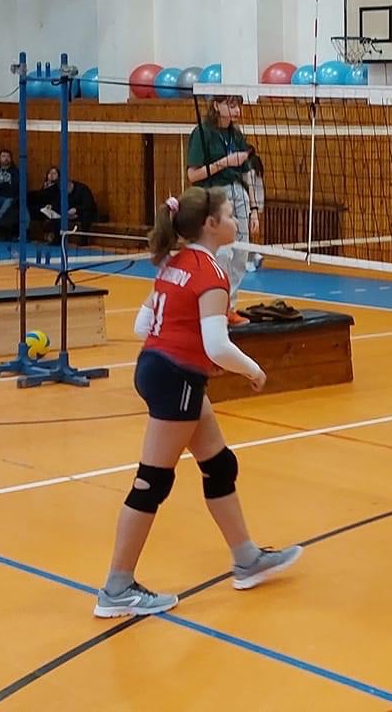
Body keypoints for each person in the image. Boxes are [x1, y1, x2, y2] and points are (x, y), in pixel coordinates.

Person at [95, 187, 301, 618]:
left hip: (159, 368)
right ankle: (117, 587)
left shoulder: (174, 262)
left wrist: (186, 343)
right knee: (152, 482)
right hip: (177, 379)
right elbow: (217, 345)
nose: (235, 220)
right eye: (229, 214)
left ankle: (246, 559)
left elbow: (142, 324)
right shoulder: (210, 272)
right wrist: (253, 370)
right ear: (211, 224)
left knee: (220, 466)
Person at [185, 94, 255, 319]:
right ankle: (218, 307)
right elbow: (193, 175)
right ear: (216, 105)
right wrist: (224, 163)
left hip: (239, 194)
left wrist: (254, 208)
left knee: (241, 254)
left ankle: (229, 307)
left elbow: (247, 174)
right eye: (231, 105)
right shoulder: (202, 133)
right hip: (216, 195)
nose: (237, 111)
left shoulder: (237, 135)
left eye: (238, 106)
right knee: (223, 253)